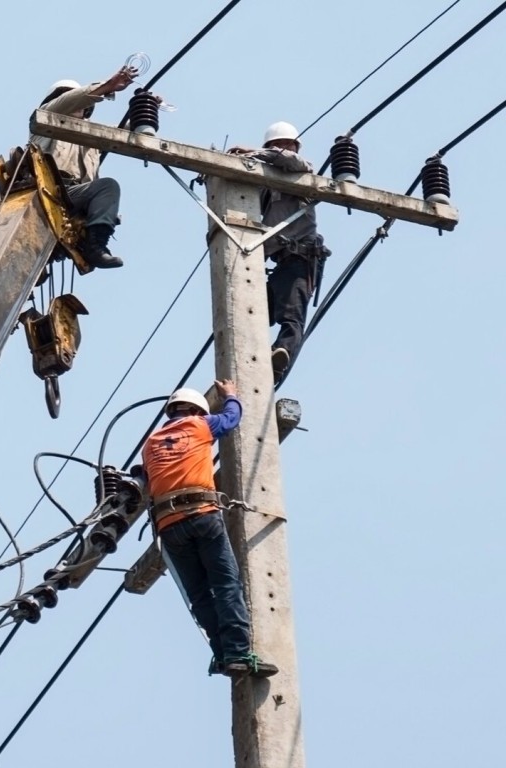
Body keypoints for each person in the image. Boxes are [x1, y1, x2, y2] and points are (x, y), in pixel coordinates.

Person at [141, 381, 278, 678]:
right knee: (226, 584)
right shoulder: (198, 425)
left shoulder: (150, 443)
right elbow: (231, 419)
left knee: (201, 595)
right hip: (201, 514)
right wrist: (231, 395)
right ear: (195, 410)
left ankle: (223, 654)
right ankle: (238, 652)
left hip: (169, 526)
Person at [0, 66, 140, 269]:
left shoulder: (93, 135)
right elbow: (71, 99)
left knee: (108, 187)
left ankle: (95, 247)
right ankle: (12, 257)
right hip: (41, 189)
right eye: (66, 96)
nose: (73, 101)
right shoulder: (45, 117)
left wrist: (145, 109)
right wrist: (107, 86)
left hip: (74, 197)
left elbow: (127, 133)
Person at [228, 122, 331, 383]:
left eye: (286, 144)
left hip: (301, 259)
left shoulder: (302, 170)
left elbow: (290, 161)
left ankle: (280, 355)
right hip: (279, 264)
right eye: (277, 144)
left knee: (291, 316)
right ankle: (256, 361)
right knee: (250, 310)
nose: (282, 148)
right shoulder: (265, 185)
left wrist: (252, 153)